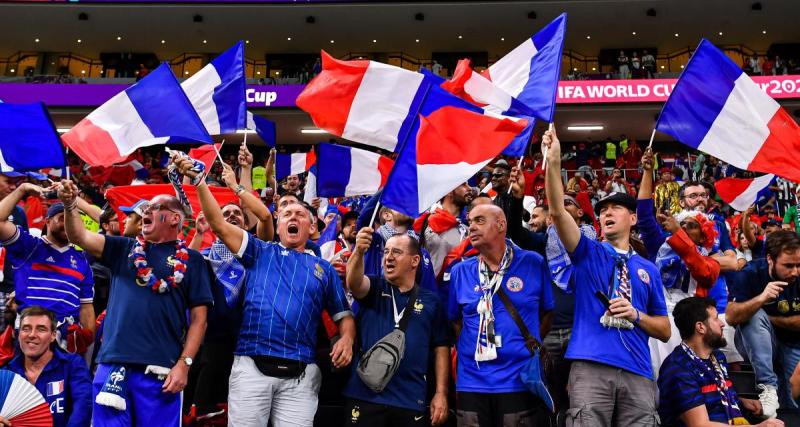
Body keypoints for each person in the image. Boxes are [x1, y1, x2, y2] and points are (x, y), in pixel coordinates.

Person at [177, 156, 355, 426]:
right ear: (278, 225)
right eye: (286, 214)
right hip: (251, 365)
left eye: (300, 215)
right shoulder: (259, 250)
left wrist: (346, 339)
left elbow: (344, 316)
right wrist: (201, 182)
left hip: (301, 374)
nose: (293, 217)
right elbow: (219, 225)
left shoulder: (324, 269)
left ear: (313, 226)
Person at [58, 181, 213, 426]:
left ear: (174, 219)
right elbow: (79, 235)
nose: (145, 212)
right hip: (113, 367)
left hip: (161, 373)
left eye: (154, 207)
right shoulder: (124, 248)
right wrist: (69, 204)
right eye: (145, 209)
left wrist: (184, 365)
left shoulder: (192, 261)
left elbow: (199, 320)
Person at [543, 126, 670, 426]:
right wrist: (554, 163)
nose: (607, 213)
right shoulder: (587, 252)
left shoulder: (648, 268)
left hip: (638, 370)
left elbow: (664, 330)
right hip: (591, 366)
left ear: (634, 218)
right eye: (603, 210)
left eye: (616, 208)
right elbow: (559, 212)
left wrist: (636, 315)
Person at [448, 204, 554, 425]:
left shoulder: (532, 263)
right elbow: (456, 322)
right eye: (469, 222)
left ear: (501, 225)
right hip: (472, 381)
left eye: (479, 221)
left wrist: (522, 345)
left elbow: (546, 314)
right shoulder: (460, 271)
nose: (471, 228)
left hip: (519, 379)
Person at [344, 229, 450, 426]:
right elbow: (354, 283)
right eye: (385, 252)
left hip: (410, 399)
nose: (388, 257)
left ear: (415, 261)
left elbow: (441, 348)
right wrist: (358, 252)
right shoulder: (374, 287)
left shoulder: (431, 301)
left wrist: (441, 393)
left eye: (396, 252)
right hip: (366, 396)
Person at [0, 184, 95, 354]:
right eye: (61, 217)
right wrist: (22, 189)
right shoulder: (29, 246)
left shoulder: (83, 262)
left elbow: (86, 308)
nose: (67, 223)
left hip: (66, 341)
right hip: (30, 336)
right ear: (48, 221)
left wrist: (86, 341)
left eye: (71, 218)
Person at [658, 297, 782, 427]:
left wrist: (738, 401)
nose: (722, 324)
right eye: (716, 318)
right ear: (700, 327)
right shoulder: (678, 368)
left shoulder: (718, 357)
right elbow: (700, 424)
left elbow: (714, 396)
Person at [726, 230, 800, 418]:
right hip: (754, 340)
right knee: (753, 313)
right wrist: (761, 299)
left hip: (793, 343)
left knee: (792, 404)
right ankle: (767, 386)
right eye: (788, 266)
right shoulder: (750, 273)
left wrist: (770, 319)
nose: (795, 272)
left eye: (799, 265)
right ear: (770, 259)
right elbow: (730, 317)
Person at [4, 306, 92, 427]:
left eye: (41, 329)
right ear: (18, 335)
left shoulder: (72, 365)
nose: (32, 335)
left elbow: (83, 407)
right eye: (26, 329)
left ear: (53, 335)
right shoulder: (7, 373)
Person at [414, 182, 472, 278]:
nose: (469, 188)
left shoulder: (468, 229)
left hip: (453, 289)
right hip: (427, 289)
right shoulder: (425, 221)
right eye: (463, 185)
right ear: (449, 191)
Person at [0, 172, 28, 332]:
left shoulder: (18, 213)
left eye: (15, 183)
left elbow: (25, 253)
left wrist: (20, 287)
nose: (13, 187)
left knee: (8, 342)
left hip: (10, 290)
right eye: (8, 181)